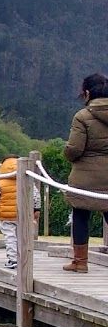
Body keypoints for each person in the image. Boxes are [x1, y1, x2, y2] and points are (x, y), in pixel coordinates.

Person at [62, 73, 108, 273]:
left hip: (85, 177)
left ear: (87, 92)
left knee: (81, 215)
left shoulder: (82, 116)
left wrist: (66, 152)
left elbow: (75, 149)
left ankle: (80, 262)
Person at [0, 158, 40, 271]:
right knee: (22, 236)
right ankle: (24, 258)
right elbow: (36, 196)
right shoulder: (28, 181)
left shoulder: (1, 183)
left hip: (6, 216)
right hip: (23, 214)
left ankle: (13, 259)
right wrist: (36, 209)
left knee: (10, 237)